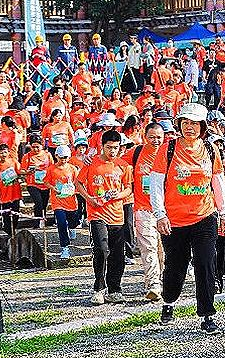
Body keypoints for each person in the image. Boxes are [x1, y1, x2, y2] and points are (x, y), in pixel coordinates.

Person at [149, 102, 225, 335]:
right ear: (179, 124)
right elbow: (156, 184)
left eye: (194, 123)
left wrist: (224, 212)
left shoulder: (210, 149)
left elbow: (218, 182)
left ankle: (207, 314)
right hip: (174, 220)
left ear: (203, 126)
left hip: (205, 215)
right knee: (176, 266)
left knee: (205, 264)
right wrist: (160, 214)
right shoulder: (168, 149)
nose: (189, 127)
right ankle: (169, 301)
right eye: (185, 122)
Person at [78, 131, 133, 304]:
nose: (112, 151)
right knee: (101, 250)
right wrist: (89, 199)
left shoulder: (123, 166)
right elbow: (78, 182)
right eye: (109, 147)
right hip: (97, 213)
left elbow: (128, 188)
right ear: (102, 146)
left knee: (117, 254)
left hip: (117, 215)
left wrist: (118, 195)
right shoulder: (91, 163)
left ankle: (114, 289)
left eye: (115, 148)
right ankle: (99, 288)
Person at [127, 121, 167, 301]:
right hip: (143, 208)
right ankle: (153, 284)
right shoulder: (136, 152)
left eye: (159, 137)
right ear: (145, 137)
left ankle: (165, 278)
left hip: (167, 209)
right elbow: (114, 162)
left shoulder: (169, 153)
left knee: (163, 248)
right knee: (148, 246)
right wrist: (91, 160)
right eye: (152, 137)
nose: (155, 141)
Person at [45, 145, 81, 260]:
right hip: (57, 201)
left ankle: (72, 227)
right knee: (61, 222)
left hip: (71, 201)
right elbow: (46, 182)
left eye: (65, 157)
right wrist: (53, 188)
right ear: (56, 156)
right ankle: (65, 248)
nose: (63, 160)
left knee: (73, 221)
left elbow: (78, 183)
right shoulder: (51, 169)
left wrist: (75, 191)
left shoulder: (73, 169)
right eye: (61, 157)